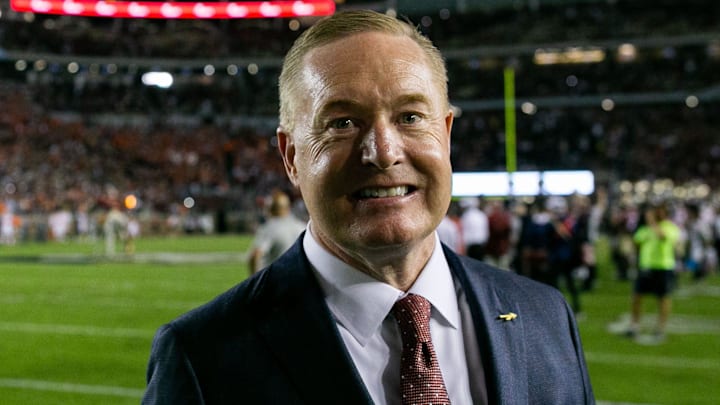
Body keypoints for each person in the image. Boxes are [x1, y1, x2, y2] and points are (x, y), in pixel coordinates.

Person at [143, 10, 594, 404]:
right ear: (292, 156)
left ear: (447, 133)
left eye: (410, 117)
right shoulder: (202, 357)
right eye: (342, 123)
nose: (382, 152)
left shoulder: (544, 315)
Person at [626, 203, 681, 343]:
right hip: (646, 267)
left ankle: (660, 328)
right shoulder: (646, 228)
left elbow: (662, 237)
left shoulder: (670, 227)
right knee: (637, 296)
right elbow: (636, 241)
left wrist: (651, 223)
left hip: (663, 267)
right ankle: (634, 326)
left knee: (663, 298)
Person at [247, 190, 306, 274]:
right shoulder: (302, 227)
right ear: (288, 208)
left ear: (269, 209)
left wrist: (254, 282)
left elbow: (255, 256)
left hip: (276, 281)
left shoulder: (270, 228)